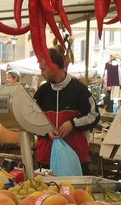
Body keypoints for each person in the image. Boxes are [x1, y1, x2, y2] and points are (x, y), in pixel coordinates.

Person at [34, 47, 100, 175]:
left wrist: (72, 124)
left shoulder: (80, 90)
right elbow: (31, 121)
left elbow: (94, 115)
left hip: (75, 160)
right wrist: (46, 131)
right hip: (46, 161)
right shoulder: (41, 93)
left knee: (74, 194)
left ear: (53, 66)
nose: (41, 73)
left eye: (43, 69)